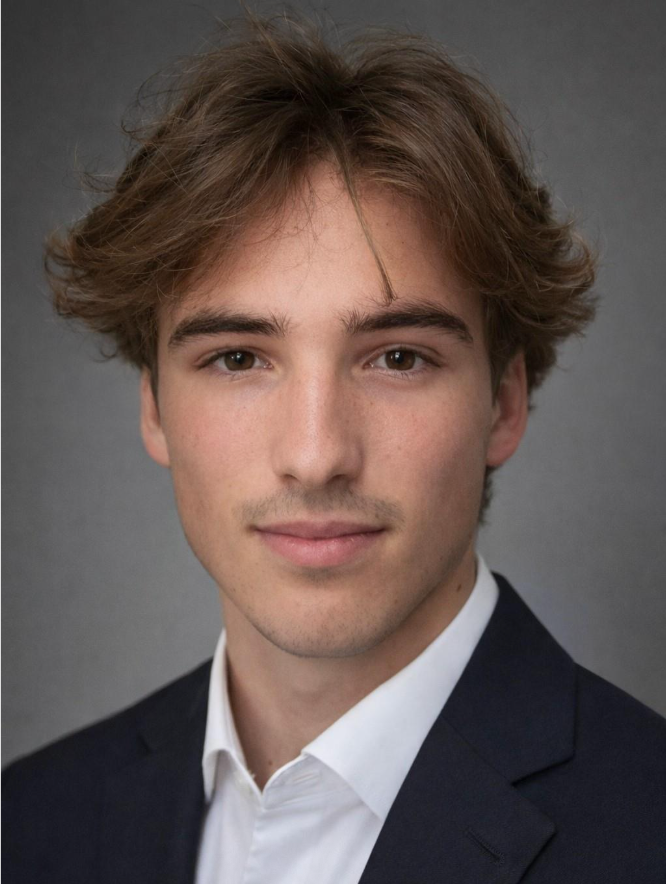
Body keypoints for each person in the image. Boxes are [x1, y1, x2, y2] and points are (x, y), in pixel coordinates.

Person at [3, 8, 665, 883]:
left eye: (398, 358)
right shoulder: (27, 824)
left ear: (505, 403)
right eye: (238, 358)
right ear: (155, 409)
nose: (316, 455)